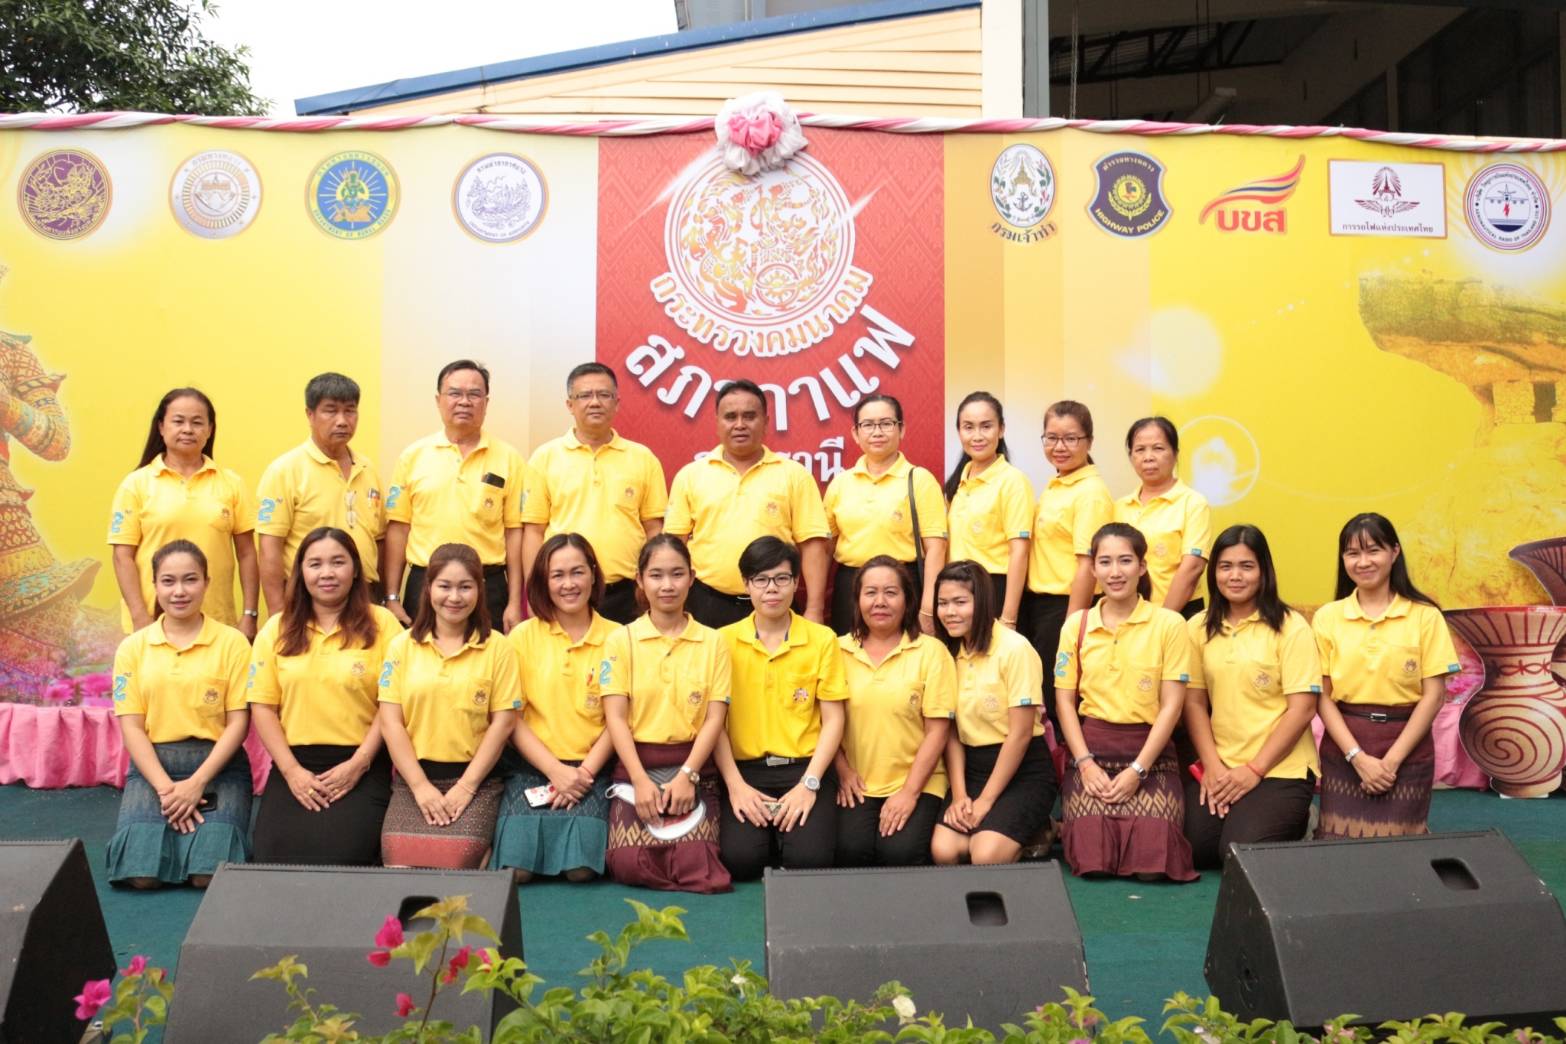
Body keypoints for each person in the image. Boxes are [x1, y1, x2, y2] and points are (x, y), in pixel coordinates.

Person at [246, 527, 399, 866]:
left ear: (355, 569)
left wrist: (359, 764)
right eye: (315, 564)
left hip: (362, 762)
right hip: (295, 764)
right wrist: (292, 772)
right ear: (300, 572)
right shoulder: (276, 629)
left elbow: (391, 705)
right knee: (272, 861)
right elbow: (263, 707)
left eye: (338, 562)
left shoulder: (384, 625)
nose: (327, 573)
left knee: (344, 861)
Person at [1055, 523, 1197, 881]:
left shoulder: (1169, 624)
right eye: (1105, 562)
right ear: (1093, 569)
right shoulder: (1076, 625)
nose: (1115, 572)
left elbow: (1172, 707)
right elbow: (1064, 702)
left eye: (1125, 561)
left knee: (1154, 866)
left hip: (1151, 756)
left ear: (1142, 567)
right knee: (1094, 862)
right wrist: (1085, 764)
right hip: (1091, 753)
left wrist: (1138, 770)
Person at [106, 540, 251, 888]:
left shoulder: (233, 643)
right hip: (153, 768)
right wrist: (166, 790)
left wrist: (197, 783)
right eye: (168, 581)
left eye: (190, 579)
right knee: (141, 876)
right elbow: (132, 727)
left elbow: (238, 723)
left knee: (208, 876)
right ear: (154, 585)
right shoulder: (133, 648)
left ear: (207, 582)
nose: (179, 591)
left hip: (218, 766)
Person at [1312, 513, 1459, 840]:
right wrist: (1357, 758)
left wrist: (1391, 762)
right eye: (1353, 553)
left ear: (1394, 552)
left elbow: (1434, 696)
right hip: (1346, 747)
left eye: (1373, 550)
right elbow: (1322, 696)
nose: (1363, 562)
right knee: (1338, 850)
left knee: (1400, 851)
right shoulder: (1328, 617)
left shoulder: (1425, 616)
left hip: (1407, 747)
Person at [599, 534, 733, 893]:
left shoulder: (713, 642)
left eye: (677, 574)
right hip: (635, 769)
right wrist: (640, 781)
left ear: (692, 578)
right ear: (640, 580)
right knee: (628, 863)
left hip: (693, 768)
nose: (667, 585)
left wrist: (688, 775)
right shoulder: (621, 640)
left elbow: (715, 718)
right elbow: (615, 718)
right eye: (656, 575)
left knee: (699, 866)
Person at [1182, 525, 1320, 868]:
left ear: (1264, 571)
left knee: (1237, 854)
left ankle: (1305, 819)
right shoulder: (1197, 627)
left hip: (1279, 767)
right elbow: (1194, 703)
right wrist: (1212, 766)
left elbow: (1302, 710)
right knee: (1196, 849)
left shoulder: (1291, 627)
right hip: (1223, 763)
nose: (1235, 576)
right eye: (1225, 566)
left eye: (1246, 566)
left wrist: (1255, 770)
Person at [377, 542, 519, 869]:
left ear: (480, 590)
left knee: (456, 865)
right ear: (428, 588)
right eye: (444, 586)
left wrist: (466, 788)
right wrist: (419, 787)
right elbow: (390, 722)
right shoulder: (401, 646)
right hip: (414, 781)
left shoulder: (498, 647)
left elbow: (504, 723)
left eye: (465, 587)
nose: (454, 597)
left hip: (477, 782)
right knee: (399, 867)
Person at [714, 537, 847, 879]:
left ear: (796, 581)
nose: (771, 589)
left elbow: (834, 720)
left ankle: (786, 834)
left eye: (781, 578)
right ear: (746, 584)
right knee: (740, 860)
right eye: (760, 579)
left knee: (810, 862)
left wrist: (809, 784)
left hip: (805, 767)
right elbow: (714, 723)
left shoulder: (822, 639)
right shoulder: (721, 641)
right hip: (746, 771)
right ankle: (773, 835)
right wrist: (735, 786)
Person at [492, 533, 617, 883]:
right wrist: (554, 771)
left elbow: (620, 720)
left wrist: (582, 774)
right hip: (531, 768)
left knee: (580, 871)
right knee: (516, 872)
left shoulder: (619, 638)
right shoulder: (521, 637)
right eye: (557, 575)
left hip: (593, 771)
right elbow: (511, 718)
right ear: (543, 583)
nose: (568, 584)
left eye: (577, 572)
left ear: (593, 574)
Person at [664, 380, 830, 629]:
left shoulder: (794, 475)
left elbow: (813, 546)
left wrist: (815, 609)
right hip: (706, 603)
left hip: (774, 602)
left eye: (750, 416)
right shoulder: (691, 475)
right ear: (717, 422)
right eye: (730, 416)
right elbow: (674, 547)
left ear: (766, 421)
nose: (740, 424)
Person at [384, 360, 531, 633]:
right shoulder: (413, 456)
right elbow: (398, 529)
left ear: (486, 402)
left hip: (488, 585)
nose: (464, 401)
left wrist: (514, 602)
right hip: (426, 583)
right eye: (455, 393)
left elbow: (514, 533)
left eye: (474, 394)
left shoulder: (509, 458)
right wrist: (391, 596)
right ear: (438, 400)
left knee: (487, 656)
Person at [929, 559, 1056, 866]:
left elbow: (1020, 734)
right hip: (971, 768)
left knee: (984, 855)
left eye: (960, 602)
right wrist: (960, 796)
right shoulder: (946, 652)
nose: (950, 612)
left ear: (983, 601)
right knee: (944, 851)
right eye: (943, 603)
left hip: (1022, 767)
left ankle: (1042, 828)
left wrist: (985, 802)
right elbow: (951, 733)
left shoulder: (1015, 649)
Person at [521, 363, 667, 625]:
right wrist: (535, 593)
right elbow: (533, 531)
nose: (595, 402)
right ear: (570, 405)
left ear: (617, 403)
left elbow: (654, 529)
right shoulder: (545, 458)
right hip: (565, 592)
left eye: (604, 395)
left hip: (626, 593)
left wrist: (651, 585)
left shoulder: (643, 458)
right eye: (585, 395)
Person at [108, 388, 258, 639]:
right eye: (178, 421)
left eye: (197, 422)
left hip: (217, 623)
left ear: (210, 430)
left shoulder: (231, 483)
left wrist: (249, 614)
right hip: (153, 624)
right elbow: (122, 557)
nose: (188, 429)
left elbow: (247, 554)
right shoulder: (136, 484)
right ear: (161, 427)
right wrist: (139, 616)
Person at [835, 556, 955, 867]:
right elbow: (824, 723)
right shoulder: (836, 650)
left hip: (918, 781)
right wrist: (843, 771)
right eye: (870, 592)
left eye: (891, 592)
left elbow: (938, 731)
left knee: (899, 854)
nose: (880, 602)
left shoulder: (931, 652)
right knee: (851, 852)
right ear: (857, 600)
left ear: (907, 600)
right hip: (857, 782)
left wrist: (909, 793)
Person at [255, 373, 386, 615]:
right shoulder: (285, 470)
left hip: (365, 598)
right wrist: (277, 614)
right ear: (310, 415)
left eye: (350, 411)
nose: (342, 421)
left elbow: (379, 540)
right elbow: (269, 549)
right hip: (308, 599)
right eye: (331, 411)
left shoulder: (367, 469)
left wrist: (385, 597)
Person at [822, 394, 947, 635]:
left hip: (903, 585)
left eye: (886, 423)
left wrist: (927, 609)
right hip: (851, 586)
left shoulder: (920, 480)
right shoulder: (840, 483)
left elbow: (936, 549)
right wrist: (816, 605)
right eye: (868, 425)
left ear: (902, 430)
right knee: (849, 654)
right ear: (856, 433)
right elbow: (825, 550)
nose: (877, 432)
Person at [1022, 400, 1114, 718]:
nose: (1059, 447)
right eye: (1051, 438)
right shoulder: (1058, 483)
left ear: (1089, 441)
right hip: (1040, 608)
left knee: (1057, 702)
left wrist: (1071, 628)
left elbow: (1088, 565)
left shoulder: (1090, 492)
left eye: (1071, 438)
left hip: (1064, 609)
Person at [943, 392, 1032, 633]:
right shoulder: (956, 484)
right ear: (959, 431)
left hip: (994, 590)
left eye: (986, 426)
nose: (977, 436)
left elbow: (1019, 551)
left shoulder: (1013, 481)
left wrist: (1009, 617)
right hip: (957, 591)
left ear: (1001, 429)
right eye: (968, 427)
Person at [1114, 417, 1211, 617]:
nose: (1148, 457)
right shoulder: (1120, 506)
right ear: (1131, 456)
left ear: (1175, 454)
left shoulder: (1192, 503)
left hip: (1179, 613)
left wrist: (1162, 622)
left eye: (1158, 448)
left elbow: (1193, 568)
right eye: (1140, 450)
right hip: (1129, 614)